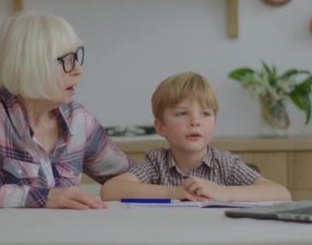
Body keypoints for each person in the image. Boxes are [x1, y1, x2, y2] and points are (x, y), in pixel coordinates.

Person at [0, 11, 132, 209]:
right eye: (67, 60)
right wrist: (41, 197)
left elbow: (130, 176)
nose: (79, 70)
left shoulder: (80, 120)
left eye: (77, 57)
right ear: (31, 65)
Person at [100, 72, 291, 202]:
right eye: (182, 113)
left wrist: (224, 192)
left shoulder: (226, 164)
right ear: (160, 127)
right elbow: (110, 190)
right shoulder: (156, 163)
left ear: (214, 124)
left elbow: (281, 194)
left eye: (205, 114)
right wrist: (172, 192)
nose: (195, 121)